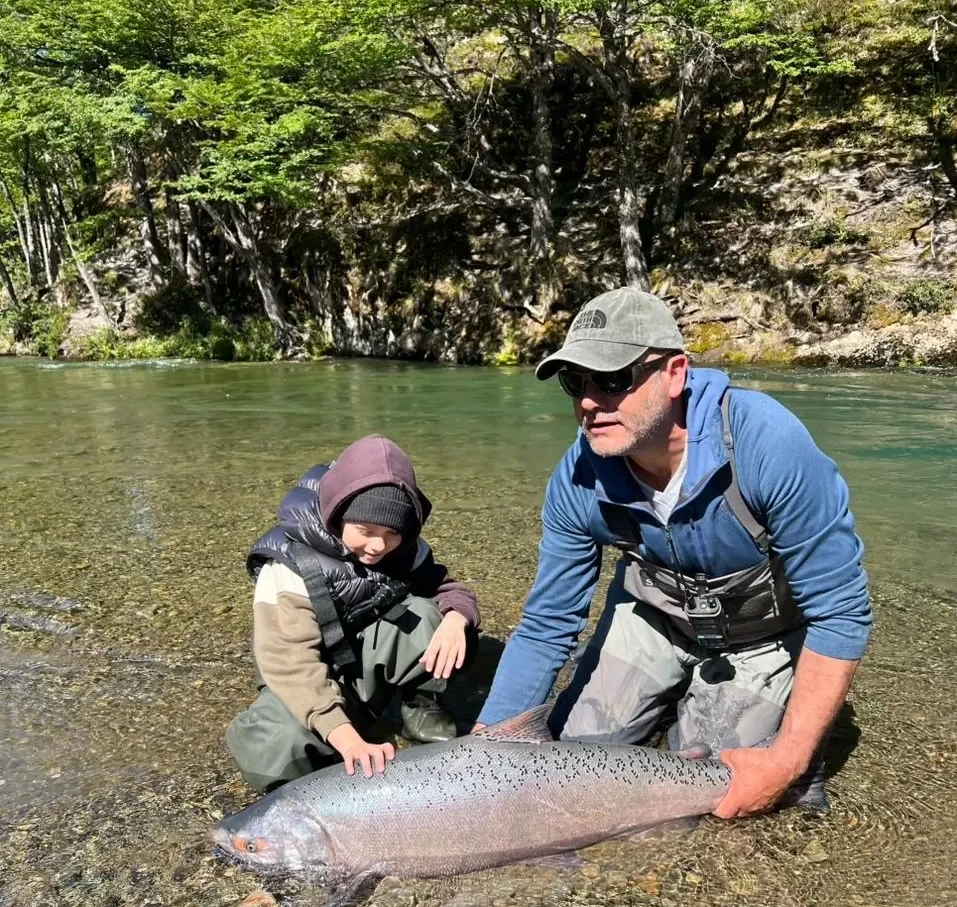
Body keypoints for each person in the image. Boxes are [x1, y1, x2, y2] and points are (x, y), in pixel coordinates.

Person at [474, 287, 871, 817]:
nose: (591, 402)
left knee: (711, 791)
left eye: (614, 380)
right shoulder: (577, 477)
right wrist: (485, 750)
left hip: (763, 635)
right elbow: (548, 622)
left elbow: (840, 615)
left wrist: (787, 761)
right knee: (570, 773)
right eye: (577, 382)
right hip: (653, 620)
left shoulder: (765, 443)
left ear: (676, 373)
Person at [227, 434, 480, 791]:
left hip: (358, 660)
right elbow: (290, 663)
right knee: (273, 742)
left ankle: (423, 714)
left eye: (392, 533)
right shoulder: (286, 567)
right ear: (337, 512)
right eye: (366, 531)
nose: (378, 545)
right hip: (301, 675)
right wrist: (346, 738)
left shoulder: (404, 547)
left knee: (438, 621)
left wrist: (457, 618)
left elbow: (448, 589)